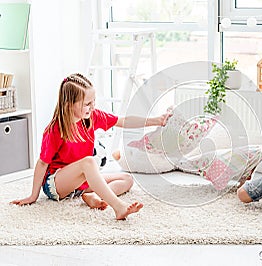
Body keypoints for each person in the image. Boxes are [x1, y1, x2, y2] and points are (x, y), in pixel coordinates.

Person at [11, 73, 170, 220]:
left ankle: (96, 198)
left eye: (93, 102)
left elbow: (123, 121)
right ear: (68, 104)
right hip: (56, 184)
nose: (92, 107)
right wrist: (33, 196)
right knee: (89, 162)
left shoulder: (92, 117)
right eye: (87, 104)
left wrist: (156, 120)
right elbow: (42, 163)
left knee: (127, 179)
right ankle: (118, 207)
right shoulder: (55, 130)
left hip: (80, 182)